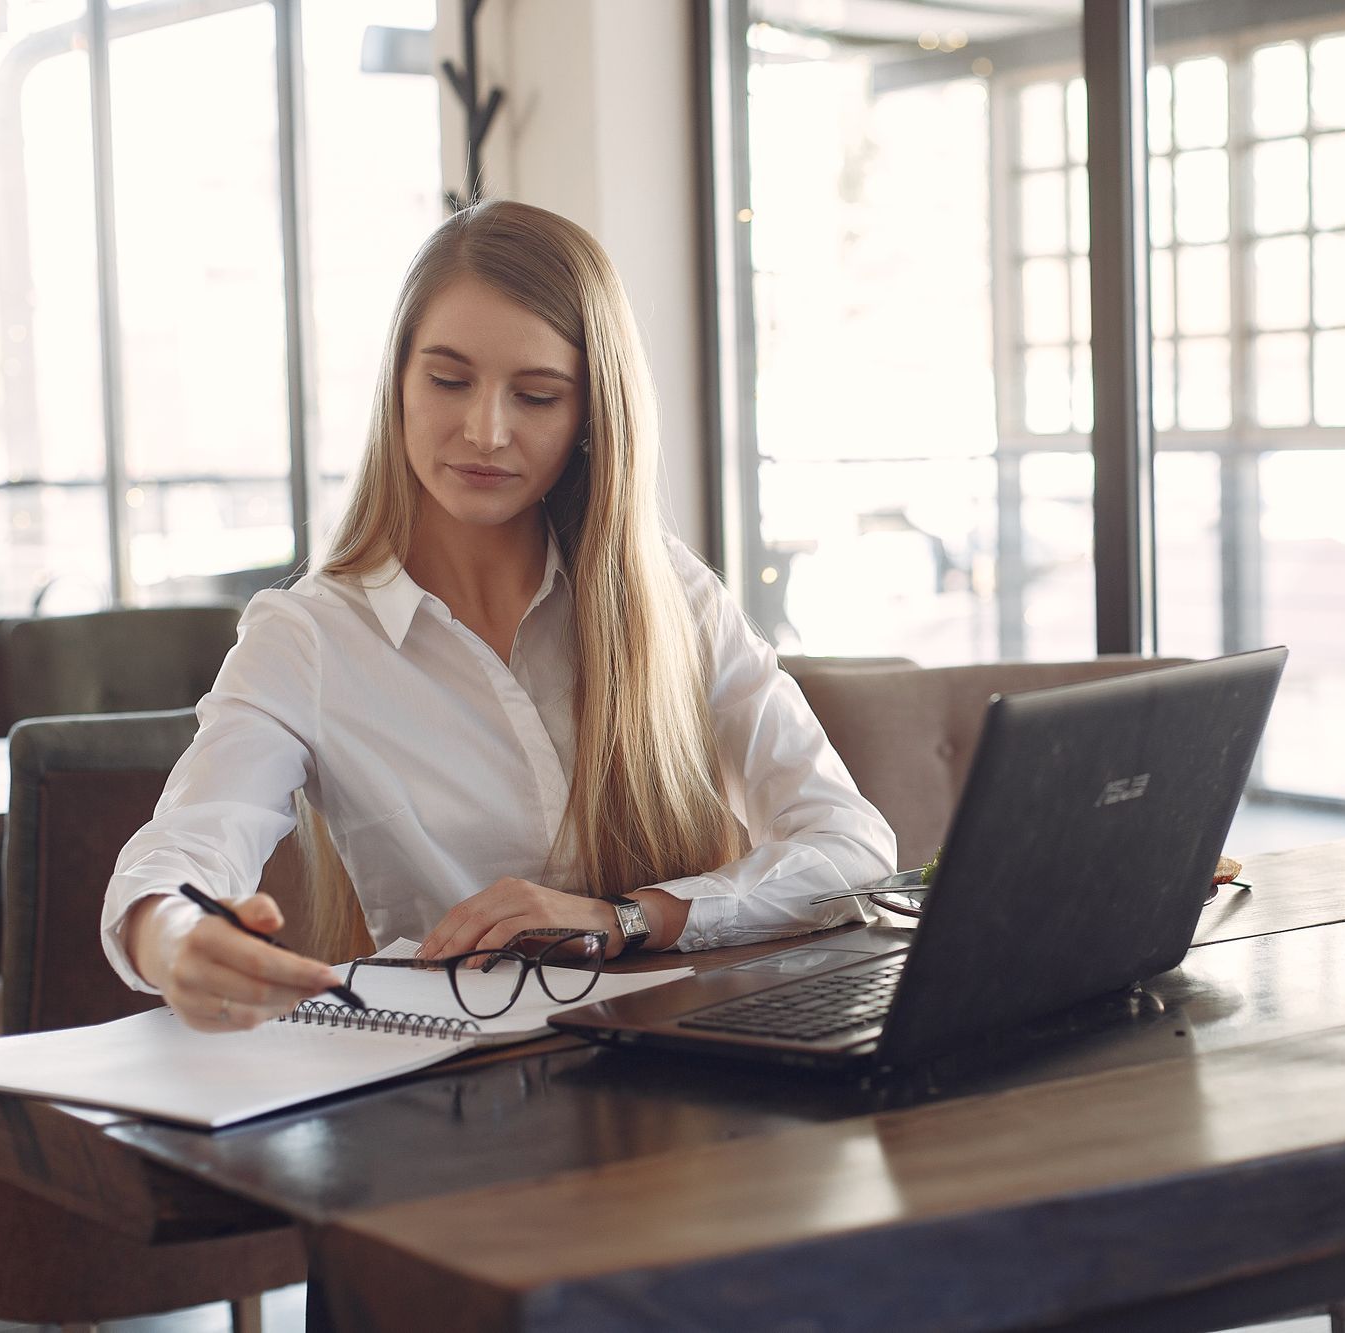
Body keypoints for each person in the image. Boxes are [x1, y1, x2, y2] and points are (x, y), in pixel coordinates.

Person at [101, 200, 896, 1031]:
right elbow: (183, 851)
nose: (485, 431)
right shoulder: (307, 638)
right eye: (448, 381)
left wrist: (627, 917)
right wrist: (177, 937)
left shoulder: (672, 598)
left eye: (537, 396)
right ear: (398, 384)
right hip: (461, 1091)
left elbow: (852, 850)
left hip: (691, 1066)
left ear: (591, 415)